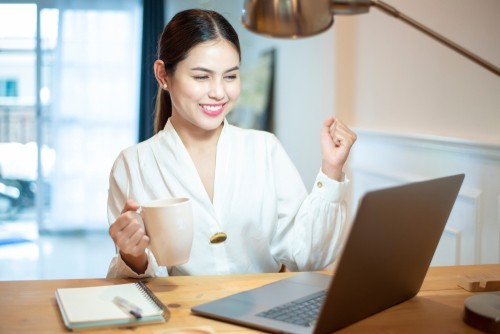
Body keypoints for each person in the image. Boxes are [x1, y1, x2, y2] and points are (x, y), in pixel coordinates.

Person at [107, 9, 357, 278]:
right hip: (182, 316)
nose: (218, 93)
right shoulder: (133, 164)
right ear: (163, 75)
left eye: (230, 76)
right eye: (202, 77)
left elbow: (309, 256)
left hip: (261, 312)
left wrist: (332, 170)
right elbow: (139, 289)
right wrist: (133, 256)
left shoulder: (265, 149)